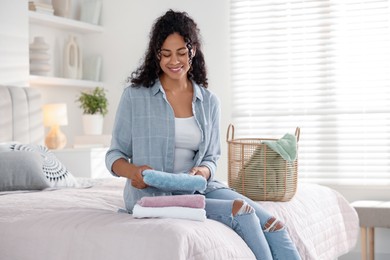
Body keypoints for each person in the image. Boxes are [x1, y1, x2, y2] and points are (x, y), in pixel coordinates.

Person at [105, 9, 301, 260]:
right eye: (166, 54)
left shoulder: (209, 101)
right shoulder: (135, 97)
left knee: (274, 225)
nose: (174, 61)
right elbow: (114, 155)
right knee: (242, 211)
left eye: (181, 53)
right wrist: (133, 172)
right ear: (156, 55)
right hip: (155, 195)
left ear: (193, 51)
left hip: (199, 188)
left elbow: (211, 157)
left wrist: (203, 171)